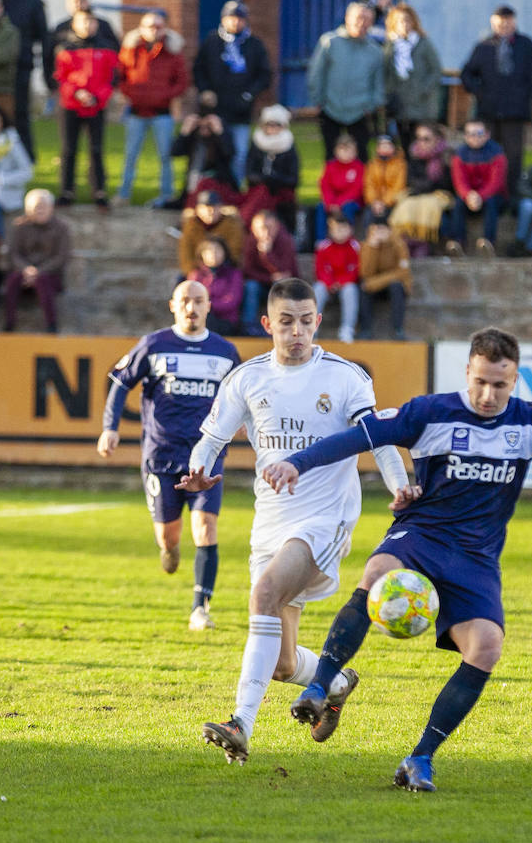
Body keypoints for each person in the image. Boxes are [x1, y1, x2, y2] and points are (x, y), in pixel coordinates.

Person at [261, 327, 532, 792]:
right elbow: (360, 438)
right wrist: (298, 462)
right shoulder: (429, 413)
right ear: (467, 372)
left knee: (486, 646)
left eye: (500, 385)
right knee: (376, 573)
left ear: (514, 381)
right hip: (422, 535)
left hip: (476, 557)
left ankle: (419, 759)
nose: (488, 394)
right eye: (480, 382)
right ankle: (320, 684)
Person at [181, 276, 410, 764]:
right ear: (268, 324)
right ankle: (339, 680)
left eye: (306, 322)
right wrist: (198, 470)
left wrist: (400, 489)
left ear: (318, 322)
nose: (297, 332)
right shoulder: (248, 378)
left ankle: (240, 723)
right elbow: (212, 438)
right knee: (283, 664)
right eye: (286, 323)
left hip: (324, 520)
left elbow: (380, 438)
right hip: (270, 524)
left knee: (262, 594)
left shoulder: (346, 377)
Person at [98, 280, 241, 628]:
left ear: (209, 306)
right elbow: (119, 382)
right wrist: (110, 427)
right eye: (185, 301)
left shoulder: (225, 352)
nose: (192, 308)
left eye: (199, 301)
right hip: (161, 455)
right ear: (173, 305)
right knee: (169, 534)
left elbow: (242, 394)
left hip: (207, 454)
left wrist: (247, 422)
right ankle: (169, 548)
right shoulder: (154, 345)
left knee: (205, 528)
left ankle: (200, 609)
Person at [460, 5, 532, 200]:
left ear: (514, 22)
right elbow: (467, 73)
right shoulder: (484, 46)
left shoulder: (525, 45)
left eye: (508, 22)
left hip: (515, 111)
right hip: (489, 111)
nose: (504, 26)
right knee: (489, 155)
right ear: (493, 23)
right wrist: (479, 93)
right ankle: (491, 196)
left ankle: (512, 197)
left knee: (513, 156)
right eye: (499, 23)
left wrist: (522, 97)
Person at [193, 0, 273, 185]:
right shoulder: (212, 42)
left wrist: (249, 95)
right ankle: (209, 190)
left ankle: (236, 190)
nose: (235, 23)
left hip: (241, 111)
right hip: (215, 110)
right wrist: (205, 90)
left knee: (239, 153)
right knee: (211, 153)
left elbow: (264, 75)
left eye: (239, 19)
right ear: (223, 19)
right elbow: (199, 69)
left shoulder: (254, 44)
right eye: (231, 18)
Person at [117, 10, 188, 208]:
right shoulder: (132, 48)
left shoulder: (172, 51)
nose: (153, 30)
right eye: (149, 26)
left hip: (161, 113)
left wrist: (164, 96)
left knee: (165, 156)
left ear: (164, 28)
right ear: (141, 28)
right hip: (136, 111)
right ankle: (123, 194)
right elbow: (120, 75)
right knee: (130, 154)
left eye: (158, 26)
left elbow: (182, 81)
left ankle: (167, 194)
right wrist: (131, 93)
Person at [54, 9, 119, 207]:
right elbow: (61, 77)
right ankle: (67, 190)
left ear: (96, 25)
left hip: (96, 106)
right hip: (70, 105)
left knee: (96, 149)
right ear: (74, 24)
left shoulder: (106, 48)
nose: (86, 26)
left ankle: (99, 190)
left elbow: (113, 77)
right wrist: (76, 92)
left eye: (90, 22)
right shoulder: (65, 48)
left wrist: (97, 96)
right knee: (68, 149)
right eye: (82, 22)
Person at [308, 1, 385, 161]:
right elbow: (316, 74)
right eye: (358, 18)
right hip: (331, 107)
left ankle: (360, 186)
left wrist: (371, 105)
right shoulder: (330, 42)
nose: (362, 23)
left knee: (361, 156)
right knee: (331, 155)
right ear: (347, 18)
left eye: (367, 19)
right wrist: (318, 100)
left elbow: (378, 82)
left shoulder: (375, 51)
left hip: (360, 111)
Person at [0, 0, 50, 160]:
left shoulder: (32, 0)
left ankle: (26, 158)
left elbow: (43, 35)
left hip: (21, 66)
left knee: (20, 115)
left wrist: (47, 71)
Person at [2, 189, 70, 333]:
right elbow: (13, 254)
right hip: (23, 273)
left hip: (50, 275)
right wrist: (26, 269)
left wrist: (38, 272)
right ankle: (9, 324)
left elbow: (61, 257)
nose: (40, 210)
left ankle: (51, 326)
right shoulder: (19, 227)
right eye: (36, 207)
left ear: (51, 208)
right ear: (28, 209)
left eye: (43, 207)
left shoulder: (61, 228)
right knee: (12, 280)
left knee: (42, 280)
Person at [381, 4, 441, 146]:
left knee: (421, 144)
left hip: (421, 104)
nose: (404, 24)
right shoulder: (390, 46)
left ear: (414, 22)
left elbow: (435, 70)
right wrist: (389, 94)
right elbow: (385, 73)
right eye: (400, 21)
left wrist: (423, 90)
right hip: (399, 105)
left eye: (407, 20)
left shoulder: (423, 43)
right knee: (402, 143)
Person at [389, 123, 453, 252]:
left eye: (426, 138)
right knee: (406, 205)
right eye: (419, 138)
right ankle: (406, 245)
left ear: (436, 139)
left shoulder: (447, 157)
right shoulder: (414, 155)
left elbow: (447, 183)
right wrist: (428, 184)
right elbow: (411, 180)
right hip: (418, 193)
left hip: (440, 195)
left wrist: (427, 186)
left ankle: (424, 244)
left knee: (429, 205)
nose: (421, 142)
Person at [447, 120, 507, 257]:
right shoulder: (459, 155)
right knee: (458, 203)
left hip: (493, 196)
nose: (474, 137)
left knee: (491, 202)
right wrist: (469, 195)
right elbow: (459, 182)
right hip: (469, 198)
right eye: (470, 134)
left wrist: (480, 196)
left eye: (478, 133)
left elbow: (496, 183)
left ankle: (488, 242)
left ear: (487, 135)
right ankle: (458, 242)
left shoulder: (497, 154)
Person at [241, 104, 299, 232]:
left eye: (276, 125)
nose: (272, 129)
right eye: (269, 125)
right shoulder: (257, 144)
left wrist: (274, 179)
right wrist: (263, 179)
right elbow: (249, 172)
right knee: (261, 194)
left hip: (282, 190)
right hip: (259, 188)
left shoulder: (289, 146)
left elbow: (294, 178)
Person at [241, 209, 297, 335]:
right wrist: (269, 278)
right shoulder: (250, 242)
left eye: (269, 228)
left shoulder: (285, 241)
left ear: (277, 226)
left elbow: (285, 272)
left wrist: (267, 254)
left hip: (283, 286)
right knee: (251, 286)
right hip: (262, 284)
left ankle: (280, 326)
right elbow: (248, 271)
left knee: (281, 285)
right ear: (254, 229)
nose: (266, 232)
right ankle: (248, 327)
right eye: (261, 228)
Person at [172, 98, 238, 205]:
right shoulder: (194, 140)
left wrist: (220, 132)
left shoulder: (219, 140)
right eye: (201, 127)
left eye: (208, 127)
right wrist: (185, 131)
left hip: (217, 186)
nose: (204, 130)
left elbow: (229, 154)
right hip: (194, 187)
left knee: (205, 183)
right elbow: (175, 152)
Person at [358, 214, 410, 340]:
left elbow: (402, 272)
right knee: (362, 290)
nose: (379, 233)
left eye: (382, 230)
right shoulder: (367, 246)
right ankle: (365, 330)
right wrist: (373, 248)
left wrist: (374, 283)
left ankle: (398, 329)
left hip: (391, 286)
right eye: (376, 230)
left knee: (396, 286)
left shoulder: (399, 245)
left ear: (389, 230)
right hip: (375, 289)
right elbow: (365, 273)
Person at [314, 212, 361, 343]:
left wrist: (341, 282)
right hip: (327, 284)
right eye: (336, 229)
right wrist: (329, 283)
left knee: (350, 290)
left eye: (343, 228)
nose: (339, 232)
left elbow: (356, 270)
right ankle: (311, 328)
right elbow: (320, 269)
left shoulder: (356, 247)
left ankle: (347, 328)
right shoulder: (323, 246)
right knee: (318, 289)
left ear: (350, 229)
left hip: (345, 284)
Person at [179, 189, 245, 278]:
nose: (211, 211)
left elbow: (235, 252)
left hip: (225, 272)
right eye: (206, 208)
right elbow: (186, 254)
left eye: (215, 207)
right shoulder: (191, 226)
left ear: (221, 208)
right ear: (198, 209)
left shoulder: (231, 225)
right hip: (198, 272)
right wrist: (197, 272)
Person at [189, 237, 243, 337]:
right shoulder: (196, 274)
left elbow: (232, 301)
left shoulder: (234, 274)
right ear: (201, 254)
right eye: (209, 251)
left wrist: (208, 305)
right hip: (203, 318)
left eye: (217, 250)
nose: (213, 254)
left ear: (224, 253)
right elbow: (192, 300)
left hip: (226, 320)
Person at [51, 0, 120, 53]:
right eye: (74, 1)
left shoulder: (103, 25)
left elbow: (115, 48)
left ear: (87, 1)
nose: (78, 3)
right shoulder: (61, 28)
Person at [364, 135, 406, 220]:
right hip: (375, 203)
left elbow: (398, 186)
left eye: (388, 145)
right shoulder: (372, 164)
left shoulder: (400, 164)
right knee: (368, 216)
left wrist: (385, 202)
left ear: (394, 148)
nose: (385, 148)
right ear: (377, 149)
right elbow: (369, 185)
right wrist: (374, 201)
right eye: (382, 145)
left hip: (392, 202)